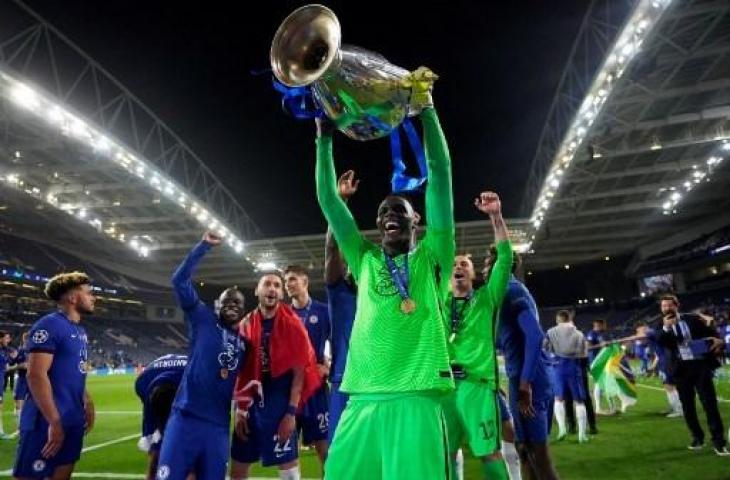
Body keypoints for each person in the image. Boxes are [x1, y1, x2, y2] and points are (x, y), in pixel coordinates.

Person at [315, 66, 455, 479]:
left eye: (399, 210)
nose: (389, 215)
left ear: (417, 223)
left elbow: (441, 174)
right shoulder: (366, 259)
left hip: (417, 398)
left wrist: (426, 109)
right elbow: (329, 202)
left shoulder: (434, 256)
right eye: (382, 212)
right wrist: (323, 135)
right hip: (361, 401)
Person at [155, 231, 248, 480]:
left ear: (243, 311)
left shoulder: (244, 343)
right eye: (227, 301)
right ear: (217, 304)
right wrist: (203, 246)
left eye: (238, 303)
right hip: (185, 419)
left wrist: (242, 409)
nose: (232, 305)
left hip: (218, 428)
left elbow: (249, 382)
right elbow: (179, 281)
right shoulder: (202, 318)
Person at [443, 191, 513, 480]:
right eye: (455, 264)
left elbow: (506, 258)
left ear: (473, 275)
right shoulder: (438, 303)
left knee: (488, 452)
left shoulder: (486, 298)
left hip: (477, 386)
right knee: (442, 452)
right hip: (443, 387)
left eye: (465, 265)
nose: (459, 267)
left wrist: (496, 216)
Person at [231, 271, 321, 480]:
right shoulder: (245, 325)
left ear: (281, 294)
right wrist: (240, 410)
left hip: (279, 402)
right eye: (267, 284)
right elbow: (241, 373)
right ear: (257, 290)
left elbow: (300, 374)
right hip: (251, 403)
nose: (272, 288)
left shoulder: (293, 324)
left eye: (277, 286)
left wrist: (290, 414)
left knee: (288, 471)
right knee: (238, 469)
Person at [12, 272, 95, 480]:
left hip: (72, 418)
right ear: (73, 298)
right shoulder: (49, 326)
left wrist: (87, 400)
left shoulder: (79, 330)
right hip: (45, 421)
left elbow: (70, 371)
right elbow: (36, 375)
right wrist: (54, 422)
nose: (93, 297)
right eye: (89, 293)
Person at [495, 254, 559, 480]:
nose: (484, 271)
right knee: (525, 450)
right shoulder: (508, 292)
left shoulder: (511, 291)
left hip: (527, 380)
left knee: (537, 453)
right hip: (526, 376)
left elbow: (534, 335)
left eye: (486, 264)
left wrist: (524, 383)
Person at [656, 295, 728, 456]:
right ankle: (697, 437)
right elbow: (661, 341)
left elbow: (712, 333)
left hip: (700, 365)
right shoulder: (660, 325)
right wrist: (667, 328)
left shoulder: (693, 319)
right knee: (688, 407)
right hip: (681, 370)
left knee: (710, 404)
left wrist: (719, 341)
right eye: (664, 306)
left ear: (677, 306)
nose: (667, 308)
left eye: (669, 305)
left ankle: (719, 442)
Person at [283, 264, 331, 465]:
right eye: (286, 281)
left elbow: (342, 341)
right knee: (287, 454)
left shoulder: (323, 311)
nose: (288, 284)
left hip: (316, 390)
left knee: (326, 451)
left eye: (293, 279)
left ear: (305, 281)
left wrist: (328, 367)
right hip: (289, 390)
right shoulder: (282, 315)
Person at [324, 170, 359, 444]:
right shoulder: (340, 292)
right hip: (343, 382)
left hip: (376, 383)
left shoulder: (381, 293)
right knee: (340, 460)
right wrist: (340, 203)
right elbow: (331, 250)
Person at [134, 354, 188, 480]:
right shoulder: (142, 385)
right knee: (156, 449)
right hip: (155, 388)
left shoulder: (194, 378)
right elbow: (150, 431)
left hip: (186, 393)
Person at [545, 310, 589, 443]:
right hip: (573, 367)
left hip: (558, 367)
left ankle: (562, 429)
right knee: (579, 401)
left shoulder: (551, 331)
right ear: (569, 319)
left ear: (558, 319)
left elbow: (544, 348)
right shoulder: (579, 333)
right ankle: (582, 435)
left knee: (558, 399)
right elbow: (583, 354)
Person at [12, 333, 30, 420]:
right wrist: (20, 365)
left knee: (34, 402)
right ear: (24, 340)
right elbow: (11, 363)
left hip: (33, 379)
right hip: (22, 378)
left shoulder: (35, 351)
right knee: (19, 401)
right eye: (27, 339)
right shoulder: (20, 351)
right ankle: (20, 425)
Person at [0, 330, 13, 439]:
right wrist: (19, 366)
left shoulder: (3, 351)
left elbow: (6, 368)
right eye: (6, 338)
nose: (8, 340)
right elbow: (6, 368)